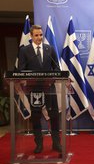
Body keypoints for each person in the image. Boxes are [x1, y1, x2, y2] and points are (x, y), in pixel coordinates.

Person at [17, 25, 62, 153]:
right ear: (31, 36)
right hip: (34, 89)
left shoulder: (50, 49)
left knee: (54, 116)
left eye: (41, 35)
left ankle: (56, 143)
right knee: (36, 117)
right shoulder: (25, 51)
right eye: (36, 35)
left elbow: (57, 69)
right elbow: (21, 70)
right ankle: (39, 144)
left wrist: (52, 79)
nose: (39, 38)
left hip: (49, 88)